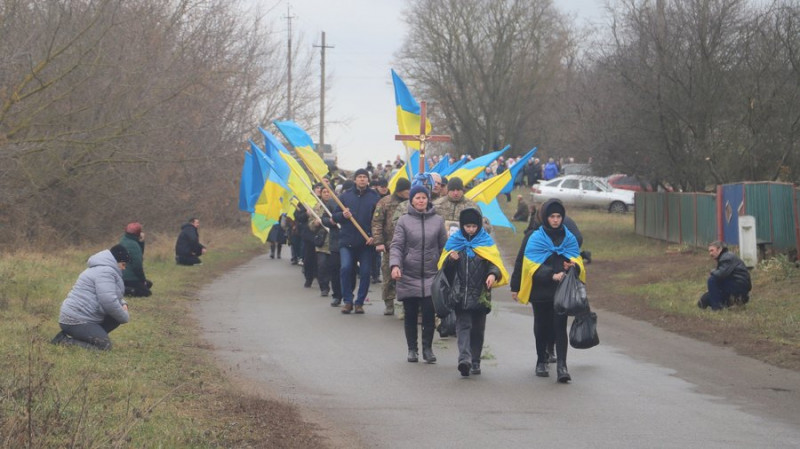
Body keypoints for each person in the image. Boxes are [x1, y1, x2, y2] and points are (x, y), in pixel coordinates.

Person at [510, 199, 585, 383]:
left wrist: (572, 267)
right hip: (540, 290)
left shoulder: (568, 239)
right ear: (545, 217)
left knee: (560, 327)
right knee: (541, 326)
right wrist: (550, 275)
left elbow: (578, 262)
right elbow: (528, 264)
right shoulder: (535, 238)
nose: (556, 220)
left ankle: (562, 366)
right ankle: (541, 360)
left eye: (559, 216)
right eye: (552, 216)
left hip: (562, 290)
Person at [439, 208, 508, 376]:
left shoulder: (486, 243)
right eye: (468, 226)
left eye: (474, 226)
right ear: (462, 226)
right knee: (463, 326)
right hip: (460, 294)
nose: (471, 229)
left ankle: (476, 360)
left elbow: (495, 263)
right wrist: (450, 261)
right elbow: (444, 272)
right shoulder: (454, 242)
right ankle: (464, 359)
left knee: (477, 329)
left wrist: (493, 274)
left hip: (481, 294)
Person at [390, 184, 448, 363]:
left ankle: (428, 349)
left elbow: (444, 247)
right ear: (412, 200)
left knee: (429, 315)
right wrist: (395, 265)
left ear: (428, 199)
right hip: (408, 274)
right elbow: (397, 245)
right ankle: (412, 349)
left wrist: (447, 265)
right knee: (411, 314)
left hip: (431, 275)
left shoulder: (438, 221)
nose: (421, 200)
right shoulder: (404, 221)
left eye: (424, 197)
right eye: (417, 198)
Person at [51, 245, 131, 350]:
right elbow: (109, 300)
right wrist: (125, 317)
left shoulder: (104, 269)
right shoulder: (105, 272)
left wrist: (123, 304)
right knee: (104, 346)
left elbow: (110, 293)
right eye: (123, 264)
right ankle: (63, 341)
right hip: (75, 320)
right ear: (116, 261)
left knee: (115, 317)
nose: (124, 268)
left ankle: (87, 336)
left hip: (84, 318)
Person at [331, 168, 380, 314]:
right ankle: (347, 301)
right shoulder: (345, 196)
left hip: (366, 243)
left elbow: (378, 220)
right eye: (359, 177)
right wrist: (343, 215)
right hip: (347, 241)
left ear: (368, 180)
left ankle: (359, 302)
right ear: (355, 180)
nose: (362, 179)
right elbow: (335, 216)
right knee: (345, 268)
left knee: (365, 272)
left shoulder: (374, 197)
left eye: (365, 177)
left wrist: (374, 237)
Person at [372, 178, 411, 315]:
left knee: (407, 276)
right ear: (400, 191)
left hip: (409, 245)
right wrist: (379, 242)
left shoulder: (412, 202)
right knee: (388, 275)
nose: (409, 193)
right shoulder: (385, 202)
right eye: (407, 191)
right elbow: (377, 222)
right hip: (390, 245)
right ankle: (389, 302)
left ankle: (407, 304)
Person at [311, 186, 343, 302]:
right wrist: (315, 223)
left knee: (334, 267)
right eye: (324, 192)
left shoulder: (338, 204)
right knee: (322, 265)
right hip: (323, 242)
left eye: (329, 192)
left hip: (335, 241)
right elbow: (310, 226)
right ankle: (324, 287)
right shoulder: (318, 207)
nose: (326, 194)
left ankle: (337, 289)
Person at [699, 241, 752, 310]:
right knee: (704, 300)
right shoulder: (725, 256)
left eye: (712, 250)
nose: (710, 253)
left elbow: (721, 274)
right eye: (709, 251)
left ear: (719, 249)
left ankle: (717, 308)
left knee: (712, 280)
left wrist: (712, 271)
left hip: (739, 287)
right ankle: (732, 303)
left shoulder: (726, 257)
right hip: (736, 285)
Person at [119, 222, 153, 297]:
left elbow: (138, 254)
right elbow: (137, 266)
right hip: (129, 278)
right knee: (147, 293)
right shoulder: (134, 245)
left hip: (121, 277)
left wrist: (141, 242)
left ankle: (123, 287)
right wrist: (142, 280)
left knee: (149, 284)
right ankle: (127, 290)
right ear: (138, 233)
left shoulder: (123, 241)